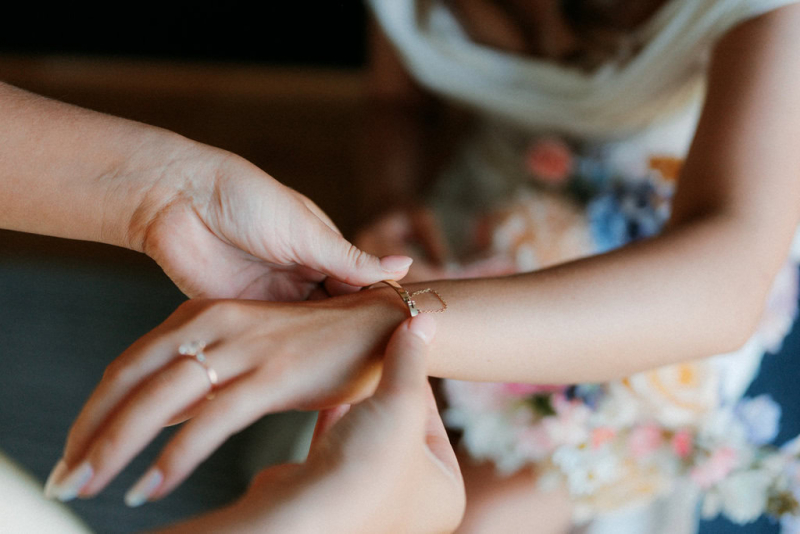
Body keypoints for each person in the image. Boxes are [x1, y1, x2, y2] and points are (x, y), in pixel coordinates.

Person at [45, 1, 800, 532]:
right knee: (365, 481)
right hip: (478, 209)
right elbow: (392, 107)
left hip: (658, 255)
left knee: (485, 515)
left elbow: (728, 271)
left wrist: (383, 320)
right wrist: (393, 195)